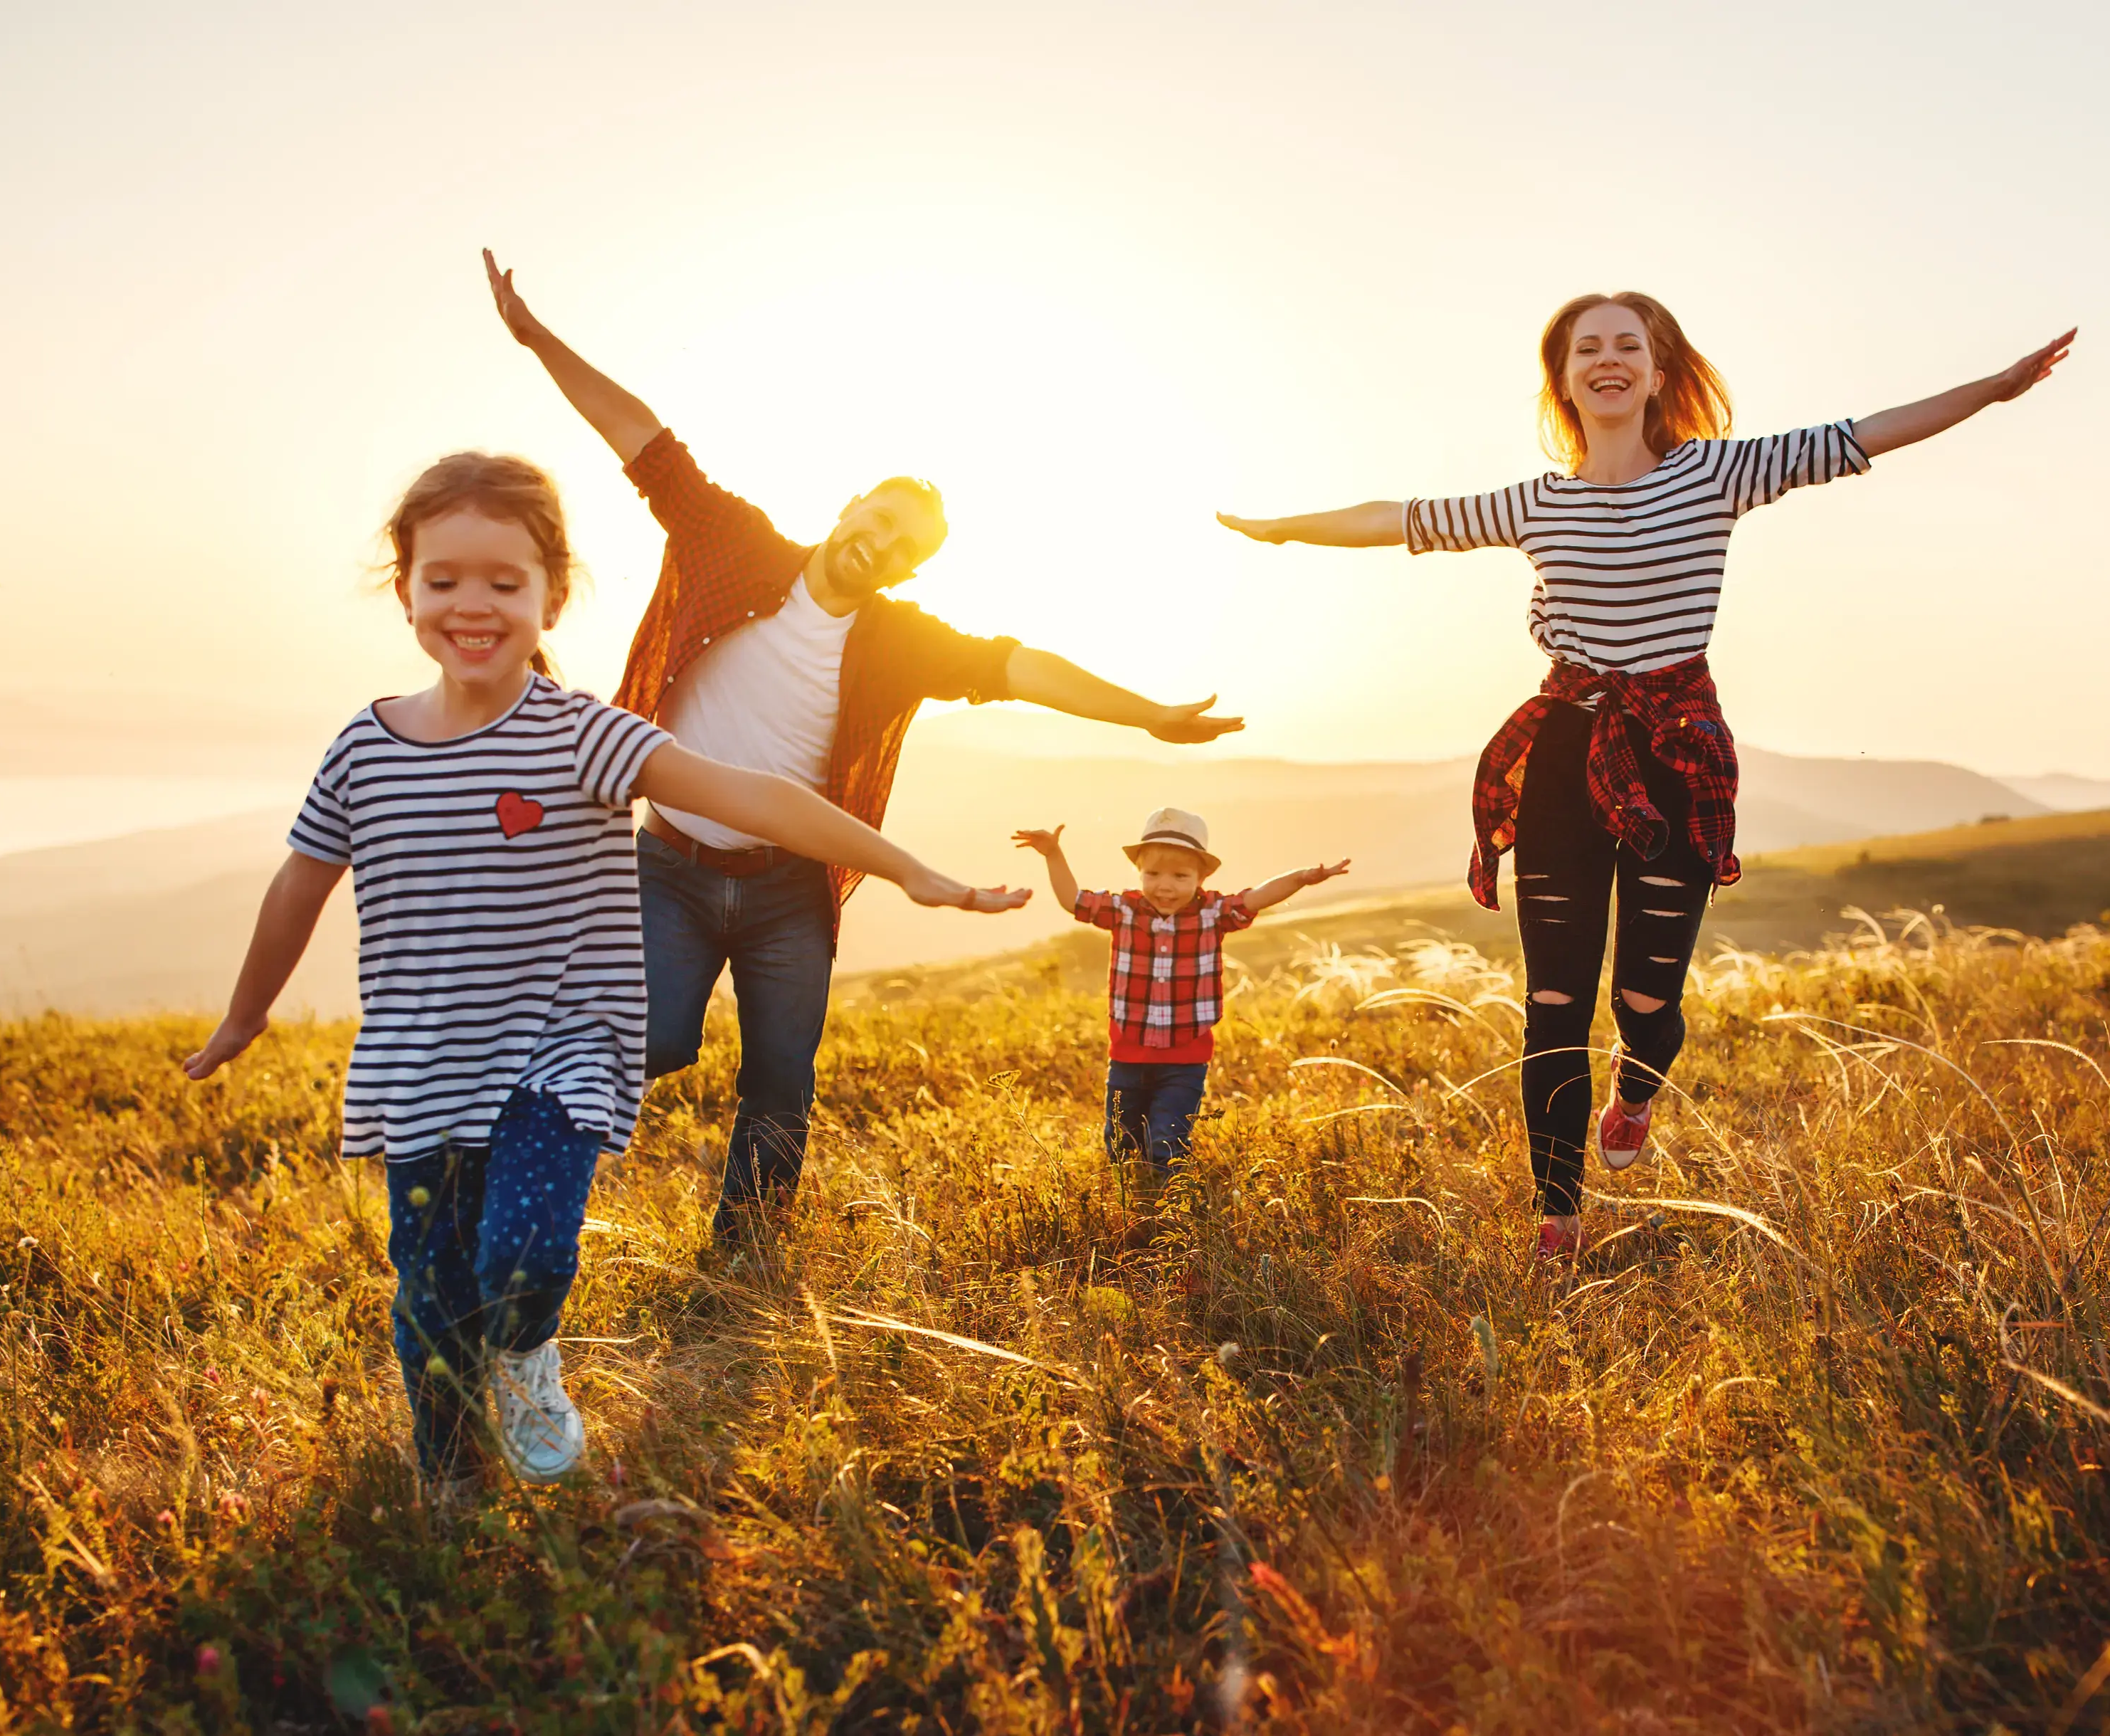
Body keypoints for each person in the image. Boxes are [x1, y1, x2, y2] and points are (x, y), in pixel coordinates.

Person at [182, 452, 1023, 1503]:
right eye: (444, 579)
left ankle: (530, 1356)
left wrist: (906, 867)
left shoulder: (586, 734)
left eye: (505, 581)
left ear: (553, 595)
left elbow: (758, 796)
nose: (473, 604)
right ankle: (451, 1482)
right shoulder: (366, 746)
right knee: (432, 1298)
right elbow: (302, 878)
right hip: (422, 1074)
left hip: (558, 1060)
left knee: (522, 1256)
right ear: (403, 591)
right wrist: (244, 1015)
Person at [1219, 294, 2072, 1261]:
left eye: (1631, 345)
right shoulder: (1534, 502)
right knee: (1553, 1001)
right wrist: (1285, 528)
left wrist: (1995, 391)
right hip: (1564, 757)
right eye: (1590, 347)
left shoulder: (1717, 473)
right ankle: (1558, 1215)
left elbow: (1863, 433)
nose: (1609, 359)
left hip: (1675, 755)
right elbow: (1401, 517)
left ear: (1660, 373)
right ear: (1566, 376)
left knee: (1647, 1001)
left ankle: (1635, 1090)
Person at [483, 251, 1245, 1245]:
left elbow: (1022, 666)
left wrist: (1147, 714)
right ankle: (509, 1146)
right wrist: (538, 336)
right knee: (656, 1034)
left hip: (788, 885)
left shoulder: (897, 641)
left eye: (901, 549)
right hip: (668, 865)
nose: (877, 547)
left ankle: (745, 1257)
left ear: (907, 568)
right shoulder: (732, 544)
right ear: (848, 509)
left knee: (781, 1075)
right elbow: (643, 440)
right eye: (876, 524)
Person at [1015, 809, 1347, 1180]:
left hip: (1186, 1056)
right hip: (1128, 1051)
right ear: (1138, 872)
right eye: (1152, 874)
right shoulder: (1123, 911)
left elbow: (1257, 897)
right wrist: (1053, 854)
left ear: (1202, 877)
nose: (1164, 886)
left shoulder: (1213, 914)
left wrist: (1302, 878)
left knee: (1167, 1141)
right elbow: (1072, 900)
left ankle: (1172, 1204)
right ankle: (1134, 1202)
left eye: (1180, 876)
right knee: (1122, 1143)